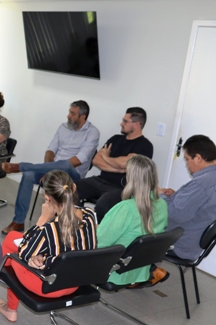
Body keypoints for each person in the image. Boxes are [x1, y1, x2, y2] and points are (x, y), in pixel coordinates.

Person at [0, 170, 97, 322]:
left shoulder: (49, 229)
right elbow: (73, 246)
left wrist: (43, 219)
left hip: (47, 287)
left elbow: (24, 252)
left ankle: (4, 298)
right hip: (74, 283)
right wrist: (43, 256)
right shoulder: (90, 215)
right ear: (74, 188)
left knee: (12, 242)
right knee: (15, 239)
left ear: (47, 198)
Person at [1, 101, 100, 234]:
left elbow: (78, 160)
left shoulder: (92, 133)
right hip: (53, 169)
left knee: (66, 163)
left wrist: (51, 171)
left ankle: (21, 166)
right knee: (28, 175)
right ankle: (18, 221)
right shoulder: (63, 127)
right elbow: (50, 151)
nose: (68, 116)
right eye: (69, 112)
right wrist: (50, 170)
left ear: (83, 117)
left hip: (72, 175)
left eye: (72, 113)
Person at [149, 135, 216, 282]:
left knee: (130, 224)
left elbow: (173, 214)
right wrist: (177, 196)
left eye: (187, 159)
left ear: (198, 158)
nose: (186, 164)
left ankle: (144, 273)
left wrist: (159, 195)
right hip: (194, 240)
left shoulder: (202, 183)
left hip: (180, 242)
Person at [97, 155, 168, 287]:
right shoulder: (162, 204)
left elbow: (99, 243)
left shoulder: (126, 208)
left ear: (130, 178)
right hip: (139, 270)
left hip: (113, 272)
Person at [75, 107, 153, 222]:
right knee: (69, 190)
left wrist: (107, 157)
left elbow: (124, 164)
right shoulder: (115, 139)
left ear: (137, 124)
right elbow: (96, 160)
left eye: (125, 121)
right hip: (99, 180)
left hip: (121, 188)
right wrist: (118, 168)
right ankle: (77, 225)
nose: (121, 124)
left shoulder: (145, 146)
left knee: (103, 205)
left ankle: (98, 235)